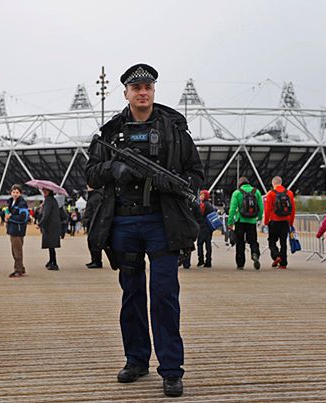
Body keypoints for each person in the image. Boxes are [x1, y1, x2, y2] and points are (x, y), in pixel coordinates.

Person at [86, 63, 204, 397]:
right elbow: (91, 172)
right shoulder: (111, 132)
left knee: (165, 296)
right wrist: (115, 168)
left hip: (162, 221)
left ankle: (170, 369)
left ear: (153, 91)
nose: (143, 92)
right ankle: (136, 360)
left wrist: (178, 186)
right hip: (124, 221)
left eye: (148, 87)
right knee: (132, 295)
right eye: (136, 87)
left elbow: (195, 171)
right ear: (125, 92)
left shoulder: (173, 128)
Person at [227, 177, 263, 270]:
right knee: (253, 240)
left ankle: (240, 263)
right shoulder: (257, 192)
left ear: (240, 184)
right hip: (252, 221)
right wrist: (258, 217)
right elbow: (261, 207)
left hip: (240, 221)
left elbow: (232, 209)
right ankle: (255, 253)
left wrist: (230, 222)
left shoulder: (237, 193)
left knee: (240, 242)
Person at [263, 176, 295, 269]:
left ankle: (276, 256)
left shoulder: (271, 194)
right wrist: (291, 222)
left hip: (274, 221)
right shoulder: (289, 193)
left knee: (272, 241)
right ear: (281, 182)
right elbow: (292, 209)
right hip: (285, 221)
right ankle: (283, 263)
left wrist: (266, 222)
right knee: (283, 242)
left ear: (273, 184)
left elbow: (267, 209)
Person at [6, 184, 29, 277]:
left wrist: (10, 217)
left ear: (20, 193)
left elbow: (23, 218)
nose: (15, 194)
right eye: (13, 192)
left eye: (17, 192)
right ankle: (21, 268)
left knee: (17, 251)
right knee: (14, 250)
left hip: (18, 230)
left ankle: (18, 270)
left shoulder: (22, 203)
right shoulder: (11, 202)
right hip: (12, 229)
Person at [38, 188, 61, 270]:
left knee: (51, 245)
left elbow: (46, 214)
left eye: (45, 191)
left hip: (50, 226)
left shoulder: (48, 200)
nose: (44, 192)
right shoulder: (52, 200)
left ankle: (54, 263)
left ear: (49, 192)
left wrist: (40, 223)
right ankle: (51, 260)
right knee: (51, 245)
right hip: (54, 226)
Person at [82, 185, 104, 268]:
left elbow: (95, 212)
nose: (87, 187)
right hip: (92, 223)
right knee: (91, 242)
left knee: (94, 241)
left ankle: (97, 261)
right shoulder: (93, 196)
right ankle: (94, 260)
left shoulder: (96, 197)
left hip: (95, 223)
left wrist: (88, 220)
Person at [196, 189, 215, 268]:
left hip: (203, 226)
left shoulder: (203, 205)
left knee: (199, 243)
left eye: (201, 195)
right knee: (208, 244)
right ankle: (208, 261)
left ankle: (201, 260)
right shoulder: (210, 205)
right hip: (209, 227)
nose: (200, 196)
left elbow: (200, 214)